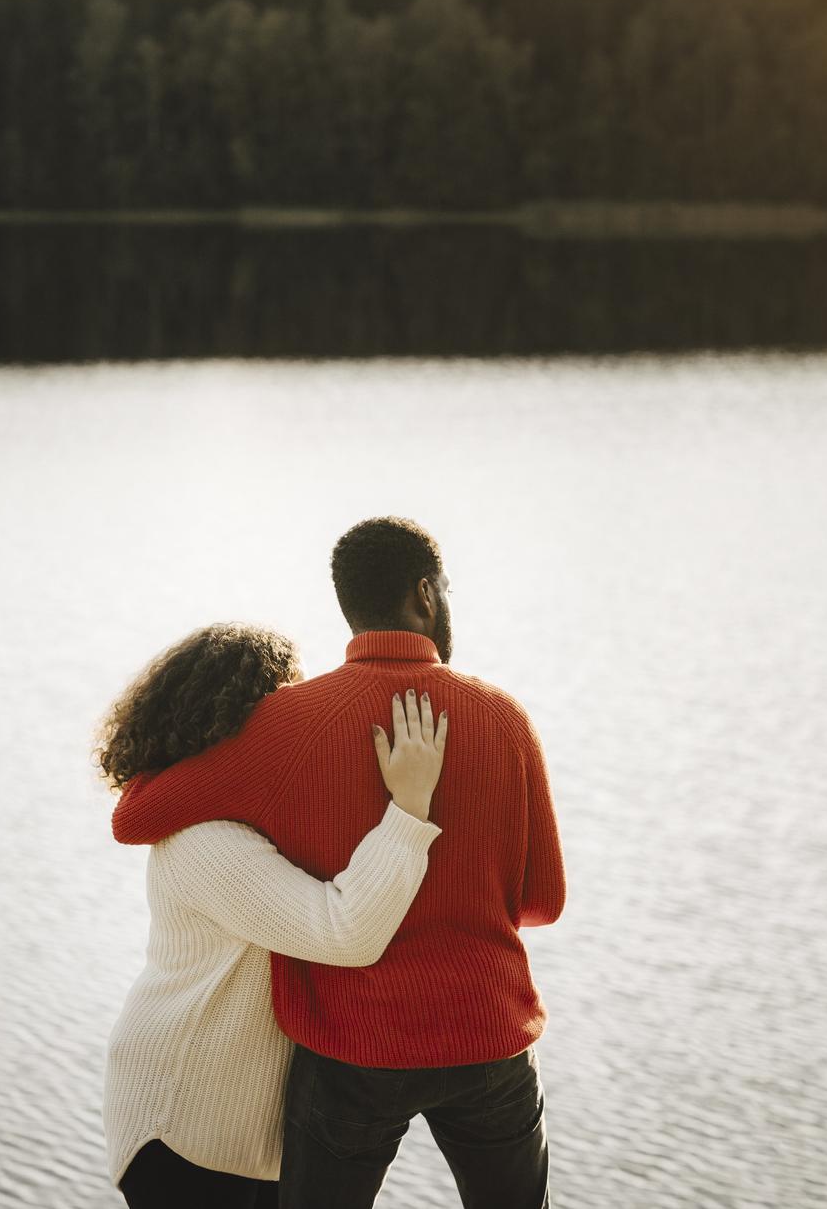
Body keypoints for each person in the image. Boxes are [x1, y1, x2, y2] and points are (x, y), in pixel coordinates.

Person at [112, 518, 565, 1209]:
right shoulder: (503, 716)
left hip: (355, 1047)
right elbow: (542, 902)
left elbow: (136, 816)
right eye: (446, 588)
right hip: (488, 1033)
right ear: (425, 594)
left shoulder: (284, 724)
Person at [99, 620, 452, 1207]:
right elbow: (345, 932)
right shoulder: (207, 841)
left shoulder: (246, 822)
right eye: (287, 708)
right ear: (242, 722)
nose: (300, 726)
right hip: (182, 1125)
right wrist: (410, 809)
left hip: (236, 1133)